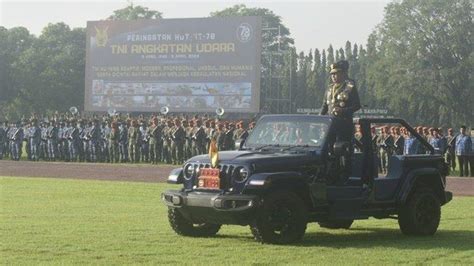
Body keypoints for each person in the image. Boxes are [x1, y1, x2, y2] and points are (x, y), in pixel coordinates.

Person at [320, 60, 361, 183]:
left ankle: (345, 176)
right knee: (330, 150)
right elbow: (324, 107)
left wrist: (344, 111)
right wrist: (318, 118)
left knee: (343, 150)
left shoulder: (349, 87)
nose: (333, 76)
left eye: (336, 73)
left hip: (343, 125)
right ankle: (332, 174)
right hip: (330, 126)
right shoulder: (329, 89)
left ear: (343, 74)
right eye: (332, 74)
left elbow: (356, 105)